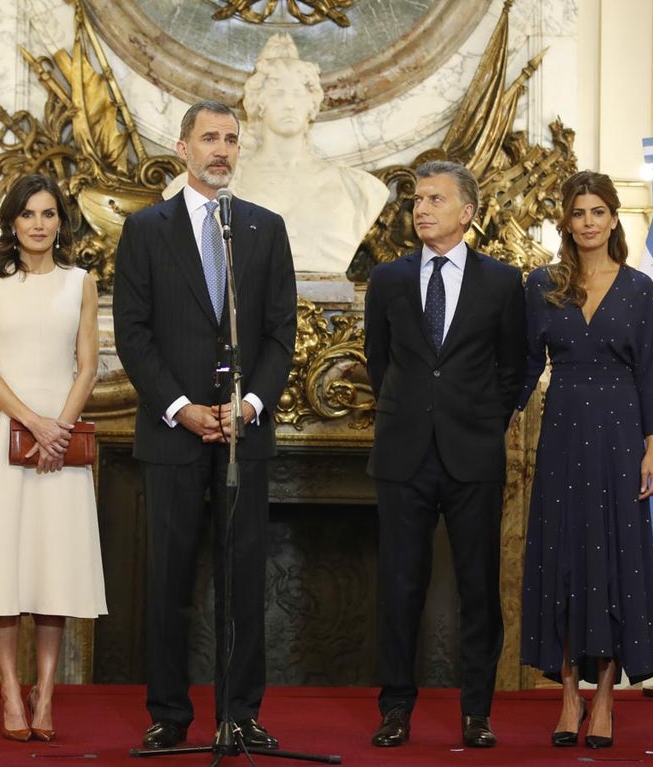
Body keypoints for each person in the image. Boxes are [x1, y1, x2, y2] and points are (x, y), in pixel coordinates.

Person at [113, 101, 297, 750]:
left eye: (230, 139)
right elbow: (132, 333)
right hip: (172, 434)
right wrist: (180, 407)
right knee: (168, 582)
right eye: (209, 138)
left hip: (244, 435)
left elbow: (280, 333)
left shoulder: (264, 229)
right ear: (183, 146)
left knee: (244, 581)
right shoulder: (145, 230)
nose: (221, 149)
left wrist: (248, 406)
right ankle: (168, 714)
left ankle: (240, 714)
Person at [364, 160, 527, 749]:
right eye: (416, 200)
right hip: (402, 456)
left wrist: (484, 417)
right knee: (399, 587)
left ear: (467, 212)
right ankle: (395, 710)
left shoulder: (504, 283)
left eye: (435, 199)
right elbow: (379, 362)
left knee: (478, 590)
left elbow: (516, 366)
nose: (422, 209)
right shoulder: (387, 280)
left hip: (473, 455)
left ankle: (476, 712)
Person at [0, 173, 107, 742]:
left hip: (61, 442)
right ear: (12, 221)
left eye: (49, 213)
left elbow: (88, 365)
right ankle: (10, 690)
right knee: (7, 568)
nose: (39, 223)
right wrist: (35, 422)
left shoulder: (80, 281)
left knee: (52, 568)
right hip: (4, 437)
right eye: (29, 213)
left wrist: (58, 428)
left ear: (62, 221)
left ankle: (48, 694)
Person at [515, 170, 653, 749]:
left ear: (614, 218)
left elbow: (648, 372)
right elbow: (528, 365)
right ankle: (568, 693)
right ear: (566, 221)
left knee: (613, 561)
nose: (588, 223)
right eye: (578, 213)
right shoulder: (542, 285)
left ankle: (604, 698)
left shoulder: (638, 288)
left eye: (598, 212)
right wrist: (492, 416)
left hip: (622, 433)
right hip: (562, 432)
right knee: (565, 557)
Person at [231, 33, 388, 274]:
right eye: (279, 94)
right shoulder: (228, 183)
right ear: (258, 104)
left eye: (298, 93)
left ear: (313, 104)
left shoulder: (357, 189)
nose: (290, 104)